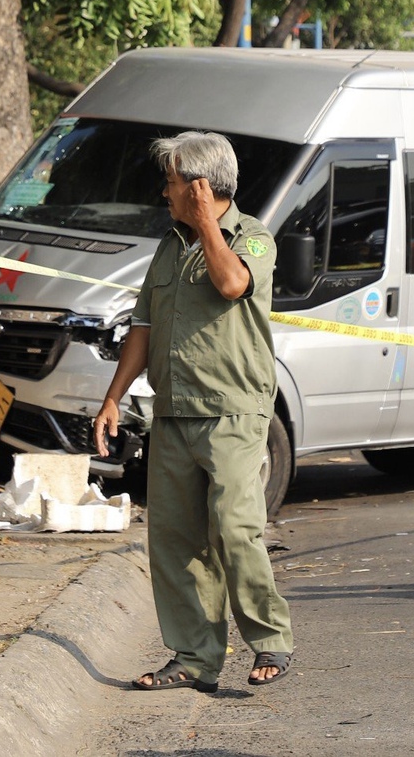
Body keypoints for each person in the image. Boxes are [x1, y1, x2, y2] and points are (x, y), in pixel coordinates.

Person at [94, 131, 293, 691]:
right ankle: (194, 656)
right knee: (176, 542)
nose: (165, 191)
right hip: (175, 410)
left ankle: (271, 640)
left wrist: (209, 224)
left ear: (202, 188)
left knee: (234, 528)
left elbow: (232, 284)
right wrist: (113, 398)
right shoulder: (168, 245)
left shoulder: (252, 239)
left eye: (174, 182)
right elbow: (144, 325)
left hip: (234, 410)